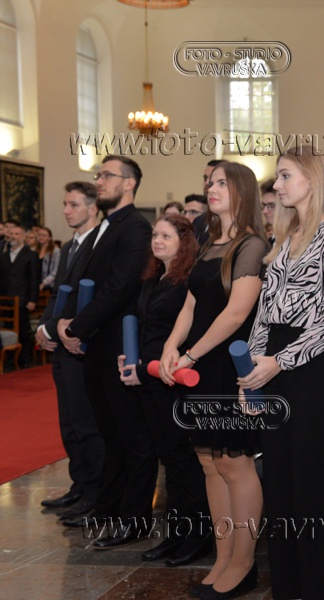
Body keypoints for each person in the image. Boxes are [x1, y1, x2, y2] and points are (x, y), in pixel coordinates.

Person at [240, 145, 324, 600]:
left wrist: (279, 361)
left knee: (312, 483)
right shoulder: (285, 237)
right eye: (278, 176)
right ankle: (287, 587)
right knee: (280, 482)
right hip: (272, 364)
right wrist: (250, 372)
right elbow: (264, 314)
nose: (278, 184)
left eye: (286, 175)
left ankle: (323, 588)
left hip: (311, 365)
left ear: (311, 179)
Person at [159, 160, 267, 600]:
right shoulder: (210, 242)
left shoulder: (252, 244)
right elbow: (190, 304)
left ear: (242, 190)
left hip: (227, 366)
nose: (212, 188)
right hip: (201, 364)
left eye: (222, 182)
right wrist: (171, 346)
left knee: (235, 465)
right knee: (209, 464)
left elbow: (237, 313)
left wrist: (191, 353)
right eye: (210, 182)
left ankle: (244, 563)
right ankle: (223, 558)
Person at [57, 155, 156, 548]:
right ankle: (108, 508)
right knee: (109, 434)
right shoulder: (105, 226)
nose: (99, 181)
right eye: (98, 175)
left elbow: (119, 288)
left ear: (129, 183)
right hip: (95, 345)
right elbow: (82, 282)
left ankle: (135, 519)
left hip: (118, 346)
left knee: (132, 437)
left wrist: (76, 327)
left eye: (107, 175)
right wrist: (65, 324)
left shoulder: (136, 228)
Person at [117, 214, 211, 567]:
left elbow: (184, 335)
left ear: (184, 242)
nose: (157, 240)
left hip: (173, 380)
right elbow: (146, 328)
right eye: (155, 235)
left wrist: (147, 368)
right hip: (149, 378)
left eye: (166, 236)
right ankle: (176, 534)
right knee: (169, 459)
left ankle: (197, 537)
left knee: (185, 460)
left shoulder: (188, 282)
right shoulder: (154, 277)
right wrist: (130, 359)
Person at [35, 182, 104, 520]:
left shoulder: (99, 245)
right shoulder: (68, 247)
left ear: (92, 208)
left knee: (86, 422)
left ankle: (95, 493)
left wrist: (62, 329)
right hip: (60, 343)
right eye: (65, 203)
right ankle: (79, 484)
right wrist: (43, 328)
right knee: (68, 422)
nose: (65, 210)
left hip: (82, 344)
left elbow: (92, 299)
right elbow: (59, 295)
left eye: (73, 204)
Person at [0, 221, 40, 365]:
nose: (13, 236)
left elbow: (34, 279)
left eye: (17, 234)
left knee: (23, 331)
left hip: (23, 299)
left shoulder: (31, 255)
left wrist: (33, 300)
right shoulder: (3, 255)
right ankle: (10, 360)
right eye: (11, 233)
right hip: (5, 300)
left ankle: (27, 361)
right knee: (8, 329)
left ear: (23, 237)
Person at [35, 226, 60, 291]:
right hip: (36, 283)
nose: (41, 237)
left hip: (49, 285)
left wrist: (43, 283)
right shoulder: (34, 250)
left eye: (44, 235)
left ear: (49, 238)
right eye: (39, 235)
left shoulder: (55, 251)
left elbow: (56, 270)